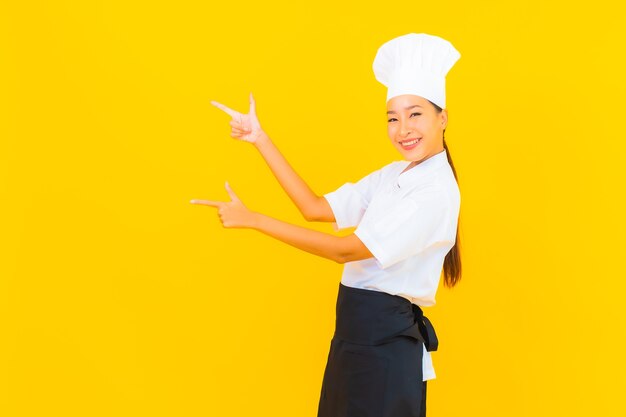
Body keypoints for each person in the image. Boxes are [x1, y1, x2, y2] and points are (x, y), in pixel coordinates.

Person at [191, 32, 462, 417]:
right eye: (393, 118)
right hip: (355, 337)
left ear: (442, 117)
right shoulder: (394, 175)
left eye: (415, 114)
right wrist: (260, 139)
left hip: (384, 346)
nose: (403, 129)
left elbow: (344, 250)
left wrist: (254, 220)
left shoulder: (435, 192)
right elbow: (314, 207)